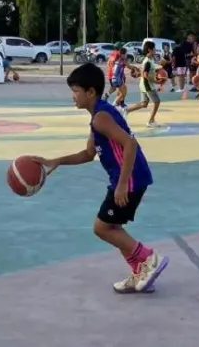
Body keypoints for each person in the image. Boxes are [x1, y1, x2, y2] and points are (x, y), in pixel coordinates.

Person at [33, 63, 168, 294]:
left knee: (102, 228)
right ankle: (140, 273)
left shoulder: (100, 118)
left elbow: (130, 144)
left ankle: (149, 259)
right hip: (127, 176)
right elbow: (88, 154)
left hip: (129, 177)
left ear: (91, 92)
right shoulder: (98, 115)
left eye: (76, 91)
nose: (72, 96)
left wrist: (123, 184)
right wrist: (55, 160)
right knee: (112, 227)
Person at [125, 41, 161, 127]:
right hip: (147, 85)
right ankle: (151, 121)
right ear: (150, 49)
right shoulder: (148, 61)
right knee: (157, 101)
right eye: (154, 48)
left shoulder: (148, 60)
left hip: (143, 85)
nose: (155, 50)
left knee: (144, 104)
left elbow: (145, 72)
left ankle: (126, 110)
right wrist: (156, 81)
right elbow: (145, 75)